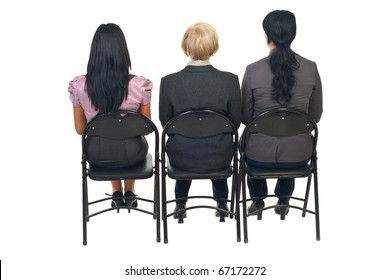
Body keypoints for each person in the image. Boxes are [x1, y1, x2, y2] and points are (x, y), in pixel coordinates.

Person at [241, 10, 323, 215]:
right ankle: (284, 199)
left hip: (257, 155)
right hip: (299, 156)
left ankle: (258, 200)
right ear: (293, 34)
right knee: (292, 137)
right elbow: (315, 116)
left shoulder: (253, 70)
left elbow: (244, 117)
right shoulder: (311, 68)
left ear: (266, 36)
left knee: (250, 139)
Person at [159, 22, 241, 219]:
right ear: (214, 46)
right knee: (216, 142)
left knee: (186, 142)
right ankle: (222, 202)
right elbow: (235, 123)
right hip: (219, 155)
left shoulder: (169, 82)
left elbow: (166, 124)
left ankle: (180, 204)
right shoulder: (230, 80)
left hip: (181, 157)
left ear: (186, 46)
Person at [68, 23, 153, 208]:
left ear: (94, 52)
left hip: (97, 155)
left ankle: (116, 192)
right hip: (133, 154)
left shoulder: (80, 86)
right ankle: (129, 192)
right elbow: (146, 129)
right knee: (127, 139)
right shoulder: (139, 85)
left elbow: (80, 129)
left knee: (108, 141)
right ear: (123, 51)